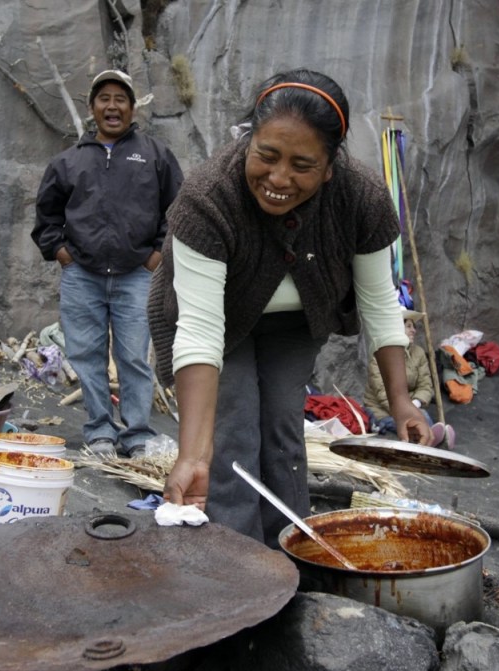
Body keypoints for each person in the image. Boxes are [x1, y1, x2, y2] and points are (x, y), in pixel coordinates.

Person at [148, 69, 432, 547]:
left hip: (295, 322)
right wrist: (193, 456)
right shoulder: (208, 197)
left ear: (330, 165)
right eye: (267, 156)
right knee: (232, 433)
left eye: (302, 165)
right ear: (249, 140)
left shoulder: (360, 197)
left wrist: (402, 400)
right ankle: (234, 562)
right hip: (215, 323)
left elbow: (380, 302)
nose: (279, 179)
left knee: (283, 432)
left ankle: (290, 554)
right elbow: (199, 331)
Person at [32, 70, 183, 458]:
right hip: (83, 276)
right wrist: (62, 253)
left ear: (132, 109)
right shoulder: (69, 161)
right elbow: (47, 216)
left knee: (133, 356)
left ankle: (137, 435)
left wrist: (156, 256)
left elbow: (179, 210)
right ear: (92, 108)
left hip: (136, 275)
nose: (112, 106)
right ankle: (99, 431)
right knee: (86, 355)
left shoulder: (155, 155)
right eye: (104, 99)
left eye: (120, 99)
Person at [364, 307, 456, 448]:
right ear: (397, 328)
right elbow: (383, 393)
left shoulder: (418, 353)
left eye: (413, 326)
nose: (414, 330)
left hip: (410, 408)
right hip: (382, 411)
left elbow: (426, 385)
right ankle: (434, 444)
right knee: (418, 421)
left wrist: (414, 405)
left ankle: (432, 442)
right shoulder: (379, 355)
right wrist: (406, 409)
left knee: (421, 416)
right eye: (408, 326)